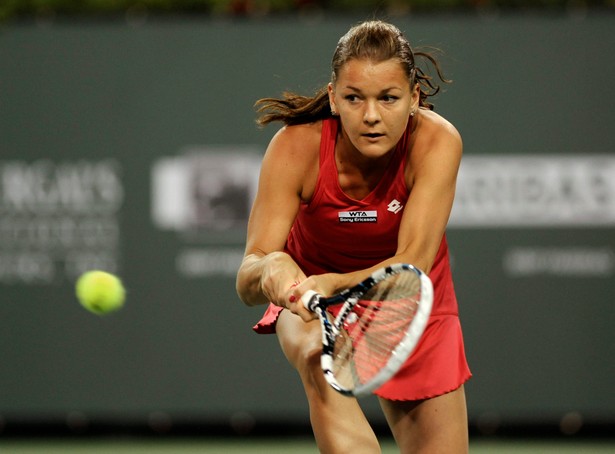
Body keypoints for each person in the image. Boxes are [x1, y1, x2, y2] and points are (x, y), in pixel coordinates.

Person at [236, 20, 471, 454]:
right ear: (332, 98)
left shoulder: (437, 143)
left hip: (412, 298)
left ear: (415, 99)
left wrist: (335, 283)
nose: (370, 116)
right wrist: (271, 267)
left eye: (389, 98)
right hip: (310, 294)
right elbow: (247, 276)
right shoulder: (294, 148)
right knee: (313, 351)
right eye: (353, 97)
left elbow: (411, 265)